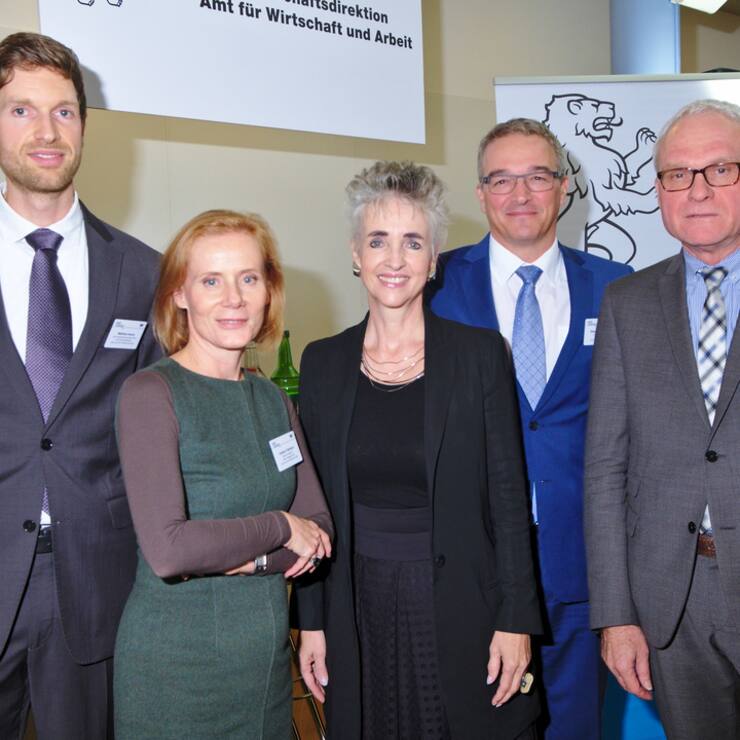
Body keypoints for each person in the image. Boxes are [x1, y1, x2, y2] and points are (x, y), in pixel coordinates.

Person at [294, 161, 541, 740]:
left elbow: (508, 499)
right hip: (359, 609)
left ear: (433, 260)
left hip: (462, 605)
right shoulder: (322, 363)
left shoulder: (480, 356)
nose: (395, 259)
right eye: (378, 240)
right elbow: (313, 509)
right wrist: (312, 621)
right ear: (356, 254)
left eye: (413, 242)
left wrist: (516, 620)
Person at [428, 118, 632, 740]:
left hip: (582, 569)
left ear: (564, 187)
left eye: (537, 177)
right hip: (474, 571)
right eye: (502, 179)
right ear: (480, 192)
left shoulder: (618, 288)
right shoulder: (432, 286)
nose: (520, 194)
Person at [114, 209, 333, 738]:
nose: (233, 298)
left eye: (248, 279)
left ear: (268, 291)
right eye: (211, 280)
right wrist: (280, 527)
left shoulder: (272, 399)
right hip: (175, 674)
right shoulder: (151, 394)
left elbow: (320, 530)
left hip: (263, 672)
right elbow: (170, 551)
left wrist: (244, 558)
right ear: (180, 294)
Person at [0, 32, 160, 739]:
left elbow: (161, 433)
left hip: (97, 585)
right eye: (21, 111)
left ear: (85, 127)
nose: (46, 131)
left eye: (64, 112)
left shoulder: (144, 273)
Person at [584, 99, 740, 739]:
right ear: (658, 191)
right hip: (673, 597)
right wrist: (616, 615)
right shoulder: (626, 302)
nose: (697, 190)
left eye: (720, 169)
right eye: (678, 174)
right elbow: (605, 468)